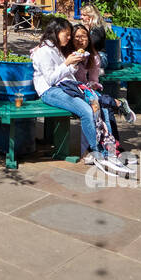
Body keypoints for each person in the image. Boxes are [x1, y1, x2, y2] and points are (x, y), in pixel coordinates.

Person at [31, 20, 128, 176]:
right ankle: (98, 153)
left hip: (67, 87)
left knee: (99, 105)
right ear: (56, 32)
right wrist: (67, 63)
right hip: (50, 91)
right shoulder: (43, 51)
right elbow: (50, 79)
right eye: (67, 34)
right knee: (86, 111)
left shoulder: (56, 48)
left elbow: (66, 73)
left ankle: (110, 150)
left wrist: (73, 63)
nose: (69, 38)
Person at [80, 4, 113, 70]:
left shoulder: (98, 29)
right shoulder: (86, 28)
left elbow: (90, 44)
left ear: (91, 16)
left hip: (100, 57)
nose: (81, 17)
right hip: (89, 56)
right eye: (81, 15)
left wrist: (87, 31)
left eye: (84, 15)